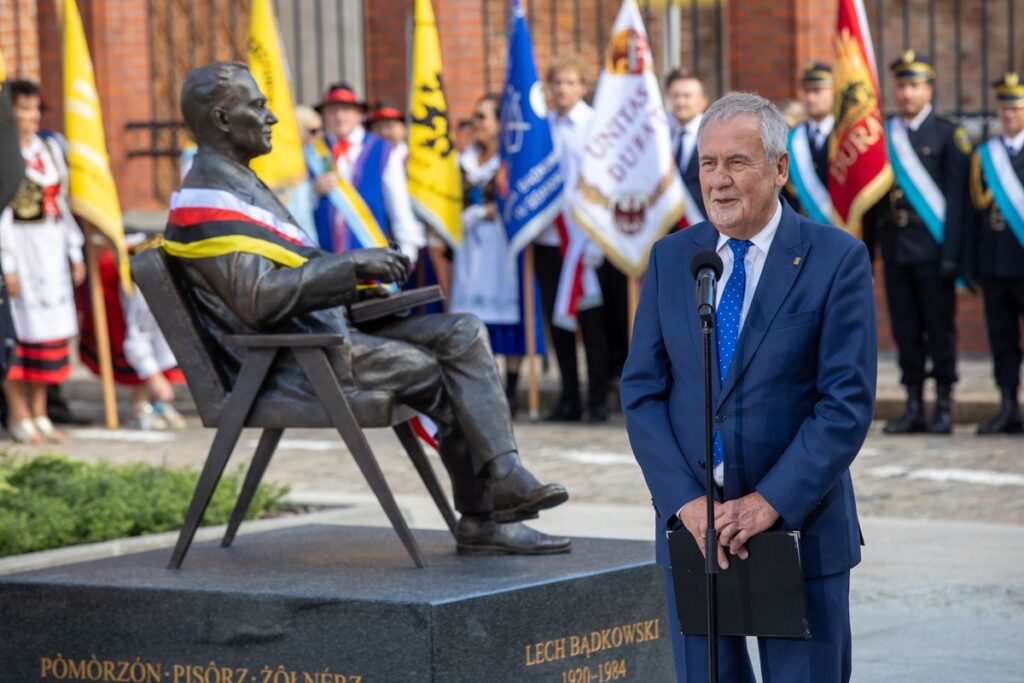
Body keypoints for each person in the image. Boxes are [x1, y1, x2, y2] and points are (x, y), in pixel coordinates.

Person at [168, 61, 570, 555]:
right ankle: (484, 518)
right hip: (289, 361)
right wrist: (349, 267)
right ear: (224, 120)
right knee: (437, 368)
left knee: (461, 331)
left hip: (324, 333)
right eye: (259, 107)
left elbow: (285, 272)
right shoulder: (206, 201)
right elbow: (256, 302)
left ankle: (505, 475)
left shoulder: (238, 183)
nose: (273, 118)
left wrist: (363, 283)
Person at [622, 92, 875, 682]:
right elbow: (641, 391)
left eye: (737, 162)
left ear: (780, 169)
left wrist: (767, 504)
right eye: (708, 164)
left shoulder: (835, 258)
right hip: (696, 533)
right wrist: (684, 501)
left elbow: (844, 405)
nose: (719, 180)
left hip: (797, 529)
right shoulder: (672, 258)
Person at [869, 51, 971, 435]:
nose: (907, 93)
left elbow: (959, 202)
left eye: (914, 85)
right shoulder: (884, 134)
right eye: (901, 85)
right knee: (905, 329)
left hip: (934, 249)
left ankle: (944, 403)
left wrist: (954, 254)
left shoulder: (948, 134)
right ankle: (913, 403)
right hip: (896, 247)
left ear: (929, 88)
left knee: (939, 328)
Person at [0, 80, 86, 444]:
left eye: (35, 109)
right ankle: (17, 411)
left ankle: (40, 411)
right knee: (16, 330)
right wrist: (7, 264)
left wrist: (74, 250)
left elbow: (61, 205)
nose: (32, 116)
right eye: (23, 109)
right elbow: (2, 213)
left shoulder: (48, 150)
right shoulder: (5, 156)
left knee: (48, 331)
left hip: (49, 249)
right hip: (19, 246)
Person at [451, 94, 545, 417]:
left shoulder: (509, 163)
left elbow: (519, 200)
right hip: (469, 248)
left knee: (507, 315)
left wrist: (498, 210)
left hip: (501, 248)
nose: (476, 123)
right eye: (475, 117)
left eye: (483, 117)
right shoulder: (462, 161)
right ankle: (482, 386)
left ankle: (511, 390)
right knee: (474, 318)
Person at [537, 55, 609, 423]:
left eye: (570, 82)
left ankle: (597, 398)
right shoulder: (542, 127)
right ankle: (568, 398)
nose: (562, 89)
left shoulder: (595, 125)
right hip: (551, 238)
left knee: (592, 323)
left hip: (585, 239)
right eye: (557, 83)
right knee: (557, 321)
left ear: (583, 86)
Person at [310, 83, 424, 261]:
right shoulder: (313, 152)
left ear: (358, 115)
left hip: (371, 259)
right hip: (325, 260)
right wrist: (313, 191)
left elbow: (399, 207)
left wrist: (407, 255)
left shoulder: (383, 151)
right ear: (324, 115)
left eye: (346, 110)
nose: (340, 116)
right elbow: (295, 208)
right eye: (333, 111)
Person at [970, 72, 1024, 434]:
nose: (1009, 115)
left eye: (1016, 107)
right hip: (996, 264)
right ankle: (1008, 404)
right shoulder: (984, 155)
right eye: (1004, 108)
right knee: (1002, 339)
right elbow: (974, 214)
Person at [785, 63, 835, 224]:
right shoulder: (792, 138)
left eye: (818, 91)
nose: (811, 98)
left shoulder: (846, 137)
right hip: (801, 228)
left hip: (841, 230)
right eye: (806, 91)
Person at [666, 69, 709, 225]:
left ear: (703, 101)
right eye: (675, 96)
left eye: (687, 96)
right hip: (667, 232)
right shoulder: (662, 136)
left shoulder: (714, 135)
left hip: (705, 228)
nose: (680, 102)